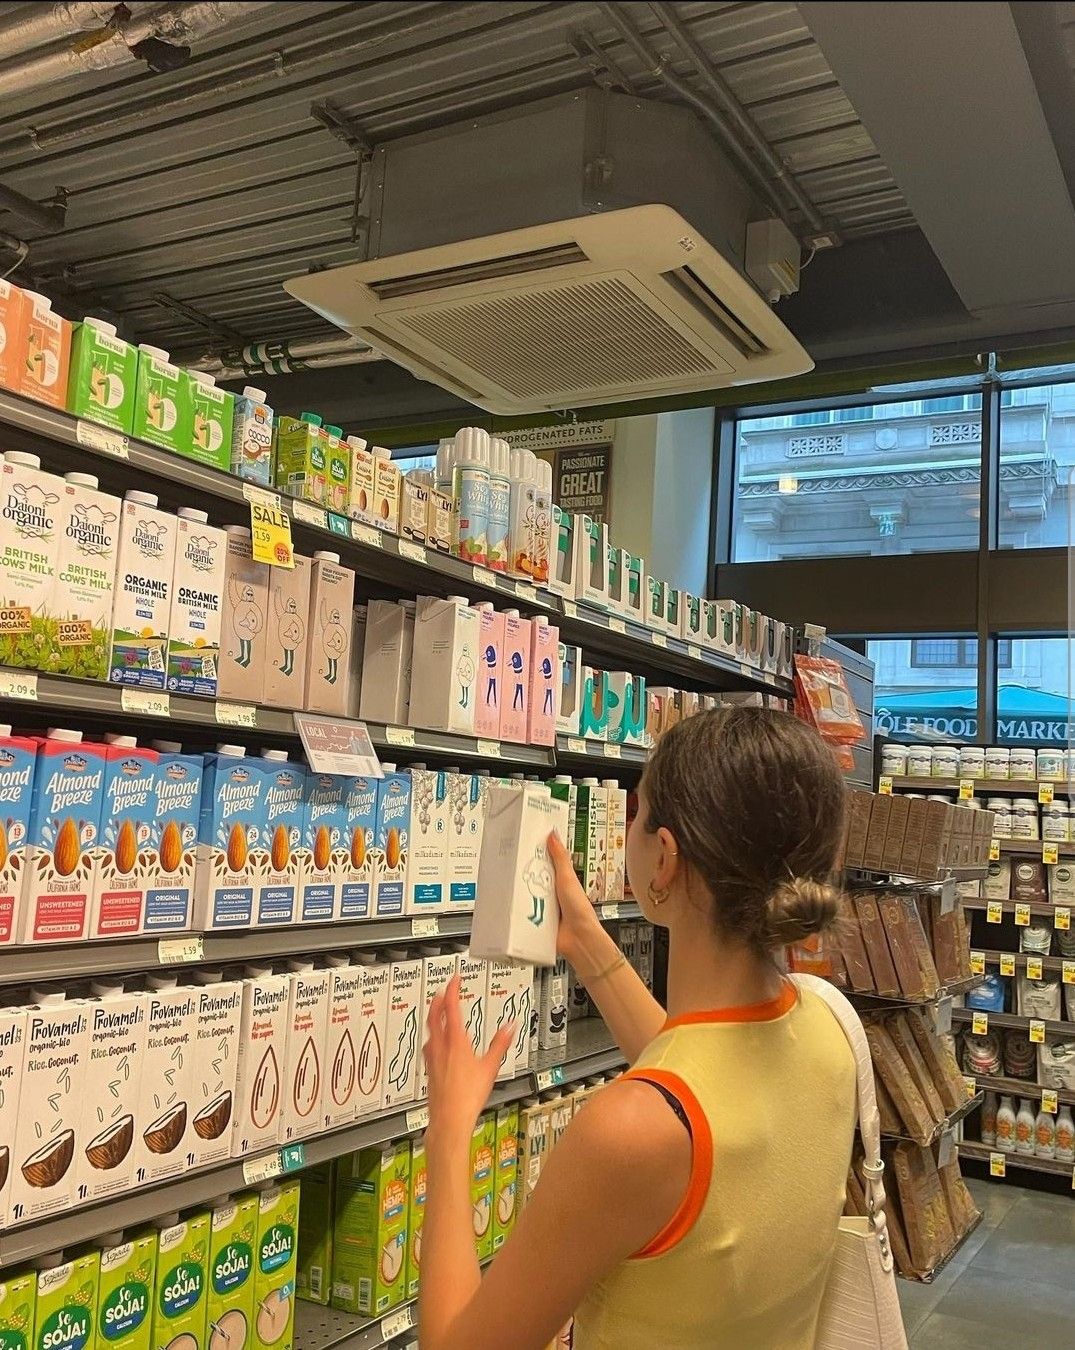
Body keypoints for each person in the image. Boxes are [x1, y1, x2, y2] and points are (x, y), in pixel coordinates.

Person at [421, 707, 857, 1350]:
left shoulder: (630, 1133)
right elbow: (699, 1077)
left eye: (637, 811)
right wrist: (586, 941)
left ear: (664, 860)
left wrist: (449, 1131)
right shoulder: (829, 1026)